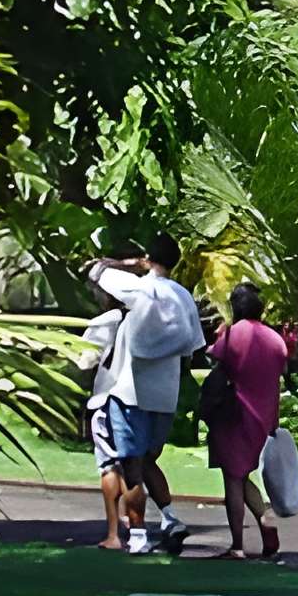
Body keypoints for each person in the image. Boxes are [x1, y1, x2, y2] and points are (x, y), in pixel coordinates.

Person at [98, 232, 206, 554]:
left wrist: (128, 263)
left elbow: (97, 271)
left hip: (130, 391)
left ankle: (139, 536)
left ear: (147, 258)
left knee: (132, 465)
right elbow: (193, 346)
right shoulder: (183, 296)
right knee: (147, 462)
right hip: (165, 395)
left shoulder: (138, 287)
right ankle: (171, 519)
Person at [202, 282, 291, 561]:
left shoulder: (233, 335)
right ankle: (265, 519)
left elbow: (213, 355)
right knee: (241, 474)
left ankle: (237, 545)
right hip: (263, 418)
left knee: (232, 478)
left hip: (234, 414)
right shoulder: (275, 339)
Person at [79, 272, 145, 552]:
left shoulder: (106, 321)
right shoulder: (143, 322)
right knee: (132, 467)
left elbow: (84, 359)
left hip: (106, 399)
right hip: (138, 400)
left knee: (109, 466)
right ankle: (139, 532)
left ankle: (113, 533)